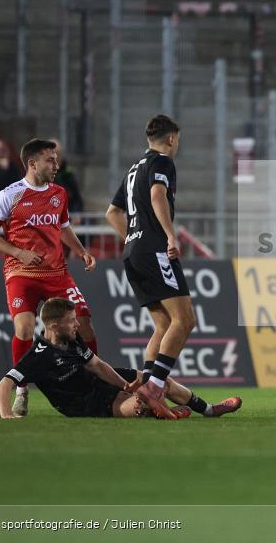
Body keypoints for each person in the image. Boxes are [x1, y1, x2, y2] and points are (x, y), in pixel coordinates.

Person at [0, 138, 100, 418]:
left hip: (57, 273)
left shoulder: (60, 193)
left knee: (84, 322)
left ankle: (92, 379)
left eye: (56, 160)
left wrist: (82, 252)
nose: (56, 165)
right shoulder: (8, 196)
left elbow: (63, 228)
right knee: (24, 329)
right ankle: (21, 388)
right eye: (51, 160)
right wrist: (18, 253)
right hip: (21, 272)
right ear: (32, 163)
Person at [0, 298, 242, 419]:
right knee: (136, 405)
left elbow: (98, 366)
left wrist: (125, 384)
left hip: (96, 381)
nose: (76, 325)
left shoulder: (71, 340)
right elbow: (4, 383)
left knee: (155, 381)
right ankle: (153, 411)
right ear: (52, 325)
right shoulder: (39, 355)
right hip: (82, 403)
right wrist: (6, 415)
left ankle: (209, 410)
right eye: (71, 321)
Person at [106, 115, 196, 420]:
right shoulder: (162, 162)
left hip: (134, 252)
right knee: (184, 321)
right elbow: (158, 194)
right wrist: (169, 235)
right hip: (154, 249)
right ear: (171, 139)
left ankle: (146, 389)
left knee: (162, 325)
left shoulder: (134, 169)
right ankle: (154, 388)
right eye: (178, 141)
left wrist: (133, 239)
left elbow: (112, 212)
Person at [52, 139, 84, 214]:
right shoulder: (41, 177)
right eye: (52, 156)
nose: (56, 158)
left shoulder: (68, 174)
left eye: (58, 154)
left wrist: (76, 214)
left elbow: (77, 199)